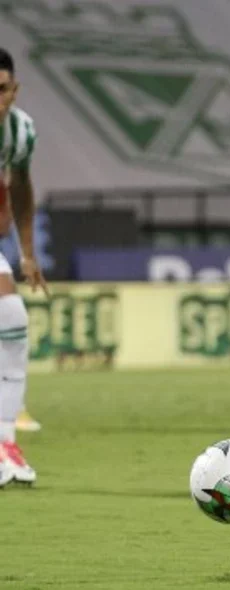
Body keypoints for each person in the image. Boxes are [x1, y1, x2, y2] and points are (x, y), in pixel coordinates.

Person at [0, 47, 47, 488]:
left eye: (1, 89)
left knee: (12, 317)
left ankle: (5, 444)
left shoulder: (19, 131)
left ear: (14, 90)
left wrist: (27, 253)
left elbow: (22, 186)